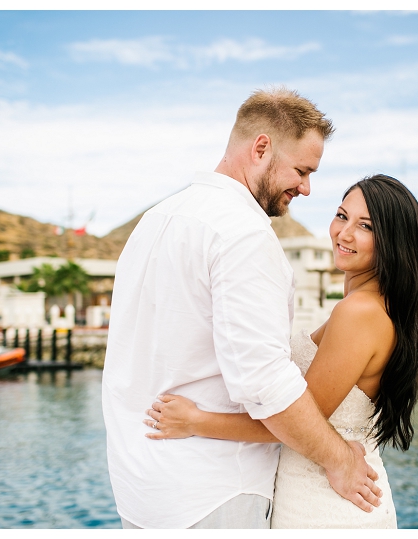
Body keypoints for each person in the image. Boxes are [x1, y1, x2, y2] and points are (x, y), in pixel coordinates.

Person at [101, 87, 382, 530]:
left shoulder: (155, 220)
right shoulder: (243, 234)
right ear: (262, 148)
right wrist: (339, 460)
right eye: (302, 170)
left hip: (141, 489)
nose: (306, 188)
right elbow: (265, 381)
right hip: (213, 492)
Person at [145, 174, 418, 528]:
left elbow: (298, 422)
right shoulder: (371, 307)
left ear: (392, 241)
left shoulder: (359, 314)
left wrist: (195, 421)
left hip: (327, 509)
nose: (344, 234)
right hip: (322, 495)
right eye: (342, 216)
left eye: (365, 226)